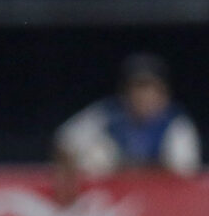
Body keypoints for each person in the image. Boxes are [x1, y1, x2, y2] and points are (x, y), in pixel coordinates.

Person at [52, 53, 201, 204]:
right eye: (138, 88)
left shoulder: (175, 122)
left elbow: (185, 171)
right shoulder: (107, 114)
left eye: (150, 89)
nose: (143, 96)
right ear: (125, 91)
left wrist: (137, 171)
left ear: (163, 93)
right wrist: (69, 180)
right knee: (99, 154)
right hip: (107, 203)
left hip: (161, 205)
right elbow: (64, 140)